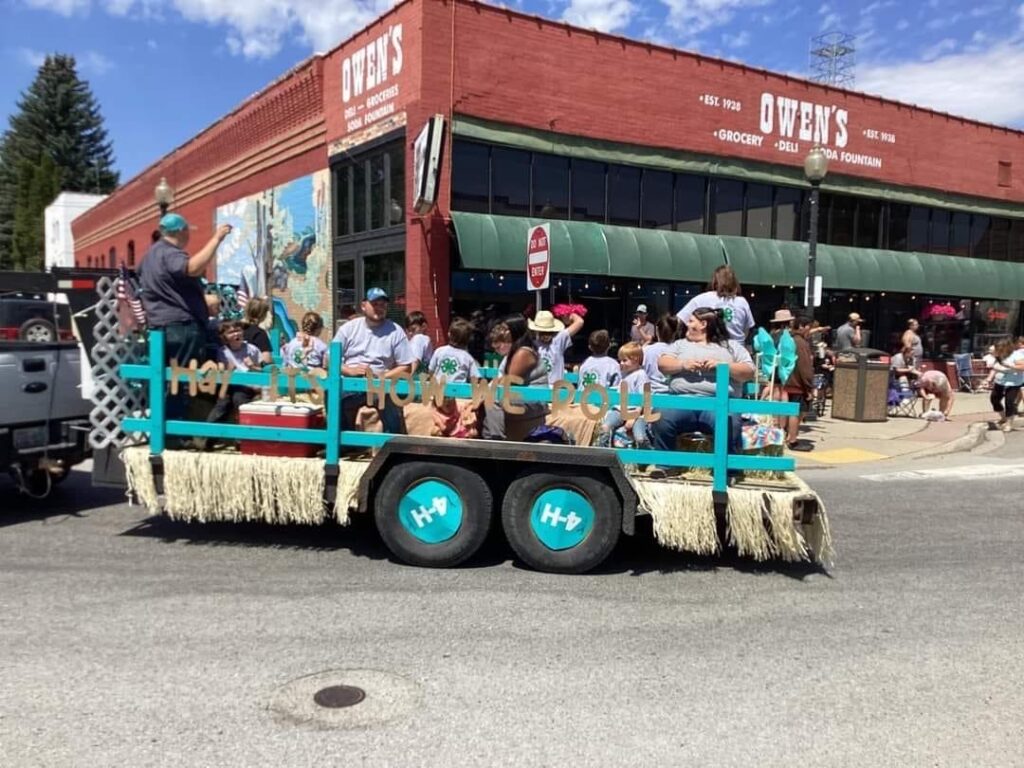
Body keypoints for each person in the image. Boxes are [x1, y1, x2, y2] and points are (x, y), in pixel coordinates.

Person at [651, 307, 755, 478]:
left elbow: (749, 371)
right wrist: (683, 365)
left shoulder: (731, 347)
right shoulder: (679, 345)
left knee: (729, 421)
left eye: (691, 321)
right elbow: (663, 364)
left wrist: (723, 366)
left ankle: (727, 470)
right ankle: (665, 465)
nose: (687, 324)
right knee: (661, 416)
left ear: (703, 324)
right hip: (682, 401)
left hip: (718, 403)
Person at [138, 213, 232, 367]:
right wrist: (217, 239)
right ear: (182, 231)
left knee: (164, 376)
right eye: (188, 231)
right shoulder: (170, 253)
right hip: (181, 327)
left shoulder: (149, 256)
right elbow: (192, 268)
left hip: (158, 326)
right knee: (185, 376)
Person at [333, 287, 416, 434]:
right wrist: (350, 371)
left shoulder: (395, 331)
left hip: (380, 384)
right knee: (333, 393)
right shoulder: (348, 328)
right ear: (363, 306)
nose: (379, 308)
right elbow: (329, 360)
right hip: (351, 383)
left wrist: (382, 376)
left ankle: (392, 442)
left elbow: (406, 367)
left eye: (382, 304)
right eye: (375, 304)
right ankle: (342, 441)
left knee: (390, 400)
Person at [481, 315, 548, 441]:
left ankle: (498, 439)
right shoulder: (513, 352)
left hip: (533, 400)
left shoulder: (524, 352)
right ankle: (487, 438)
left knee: (492, 397)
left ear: (515, 330)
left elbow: (510, 380)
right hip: (520, 396)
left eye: (506, 329)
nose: (502, 332)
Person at [200, 321, 262, 448]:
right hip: (229, 384)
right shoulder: (223, 351)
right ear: (225, 337)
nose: (236, 334)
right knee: (222, 403)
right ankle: (207, 437)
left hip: (247, 385)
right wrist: (228, 369)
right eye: (231, 332)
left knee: (239, 399)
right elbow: (221, 372)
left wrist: (252, 366)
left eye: (238, 330)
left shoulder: (252, 349)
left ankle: (241, 439)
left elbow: (262, 370)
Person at [764, 312, 815, 452]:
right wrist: (809, 386)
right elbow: (804, 366)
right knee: (796, 411)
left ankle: (785, 433)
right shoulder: (799, 342)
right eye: (809, 327)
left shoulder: (781, 337)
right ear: (802, 326)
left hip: (785, 378)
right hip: (796, 381)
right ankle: (792, 439)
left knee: (788, 408)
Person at [427, 318, 482, 438]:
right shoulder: (467, 358)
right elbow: (475, 379)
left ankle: (439, 428)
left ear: (449, 334)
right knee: (464, 415)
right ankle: (461, 431)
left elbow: (430, 371)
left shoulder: (439, 351)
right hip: (458, 397)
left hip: (438, 395)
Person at [676, 265, 755, 342]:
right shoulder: (742, 302)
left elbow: (679, 321)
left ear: (714, 281)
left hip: (709, 346)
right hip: (737, 348)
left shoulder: (701, 299)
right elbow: (746, 330)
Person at [599, 342, 651, 449]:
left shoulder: (641, 375)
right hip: (620, 410)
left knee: (640, 437)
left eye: (624, 360)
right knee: (605, 427)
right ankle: (604, 452)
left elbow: (644, 398)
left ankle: (646, 455)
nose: (621, 363)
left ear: (636, 359)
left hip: (636, 412)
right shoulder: (624, 374)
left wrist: (633, 417)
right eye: (620, 360)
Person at [530, 309, 585, 384]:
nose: (545, 335)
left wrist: (569, 314)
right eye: (542, 332)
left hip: (555, 387)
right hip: (539, 386)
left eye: (548, 332)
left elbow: (580, 322)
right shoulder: (533, 344)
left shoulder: (558, 339)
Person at [989, 338, 1024, 432]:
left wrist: (1010, 366)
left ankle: (1009, 423)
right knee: (994, 399)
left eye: (1000, 348)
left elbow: (1022, 366)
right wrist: (989, 378)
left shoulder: (1016, 355)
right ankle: (1003, 417)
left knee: (1009, 402)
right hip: (1000, 381)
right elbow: (994, 367)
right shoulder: (999, 355)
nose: (998, 349)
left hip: (1013, 383)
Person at [642, 315, 680, 393]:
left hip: (649, 392)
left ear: (656, 330)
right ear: (675, 332)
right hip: (672, 392)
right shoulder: (679, 351)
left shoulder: (646, 350)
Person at [241, 297, 273, 365]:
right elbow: (266, 360)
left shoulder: (237, 330)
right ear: (263, 315)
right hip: (253, 369)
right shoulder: (260, 333)